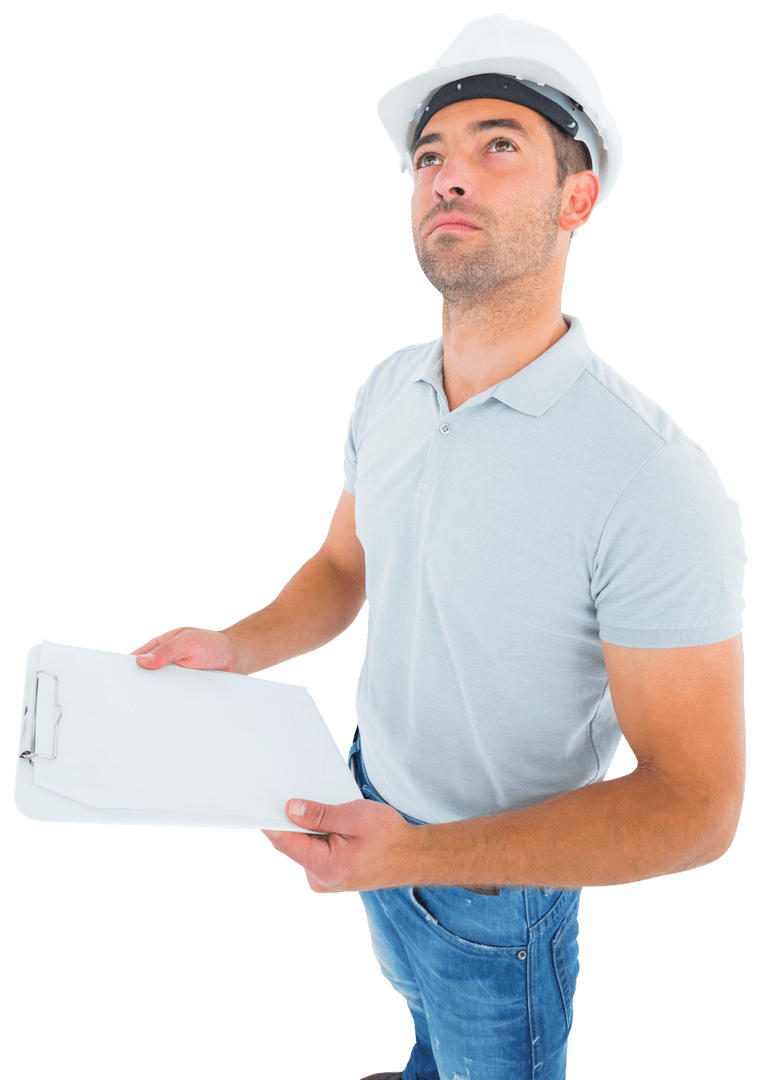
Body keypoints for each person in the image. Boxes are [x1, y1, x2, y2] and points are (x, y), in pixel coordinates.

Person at [132, 13, 747, 1080]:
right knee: (419, 1009)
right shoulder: (389, 386)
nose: (446, 176)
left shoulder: (652, 477)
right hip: (369, 809)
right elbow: (340, 570)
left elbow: (694, 807)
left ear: (576, 198)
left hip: (493, 895)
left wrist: (421, 858)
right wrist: (233, 648)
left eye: (497, 144)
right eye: (429, 156)